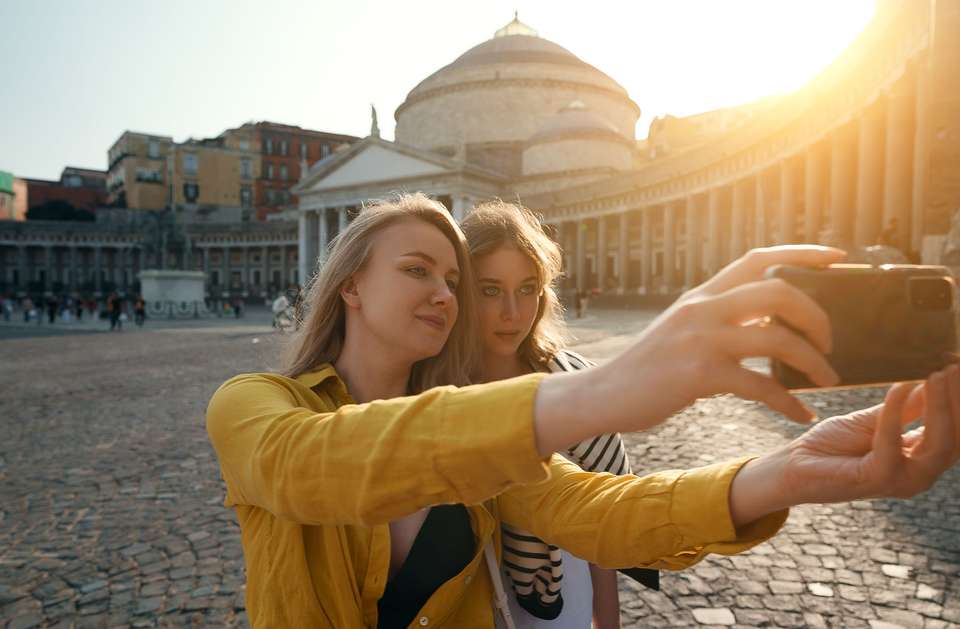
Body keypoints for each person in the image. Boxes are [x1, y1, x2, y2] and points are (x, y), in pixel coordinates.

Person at [206, 193, 960, 629]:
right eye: (415, 270)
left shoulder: (472, 427)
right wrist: (608, 387)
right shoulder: (253, 406)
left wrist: (788, 472)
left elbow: (601, 511)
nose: (444, 292)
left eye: (449, 278)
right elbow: (315, 468)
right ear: (351, 287)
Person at [463, 201, 653, 628]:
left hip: (561, 594)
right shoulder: (434, 387)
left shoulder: (574, 380)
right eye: (490, 290)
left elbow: (606, 519)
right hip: (462, 595)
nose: (512, 313)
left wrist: (607, 620)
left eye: (526, 288)